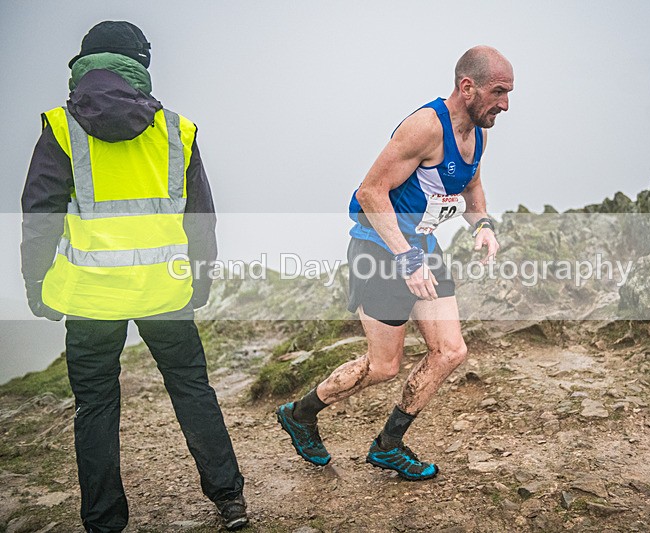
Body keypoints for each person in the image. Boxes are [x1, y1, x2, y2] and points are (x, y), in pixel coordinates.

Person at [20, 21, 248, 531]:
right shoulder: (177, 129)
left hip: (90, 297)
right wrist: (201, 277)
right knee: (191, 388)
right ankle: (230, 499)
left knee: (95, 405)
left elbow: (40, 217)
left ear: (83, 67)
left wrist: (35, 281)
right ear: (140, 67)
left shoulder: (61, 127)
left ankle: (104, 521)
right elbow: (200, 220)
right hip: (165, 291)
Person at [277, 45, 512, 480]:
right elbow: (370, 192)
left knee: (450, 351)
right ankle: (300, 413)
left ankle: (388, 445)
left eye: (509, 93)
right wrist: (405, 257)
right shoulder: (424, 127)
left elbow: (472, 184)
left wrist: (483, 225)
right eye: (498, 92)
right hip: (379, 251)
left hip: (421, 247)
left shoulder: (478, 133)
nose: (505, 104)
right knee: (384, 366)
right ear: (467, 87)